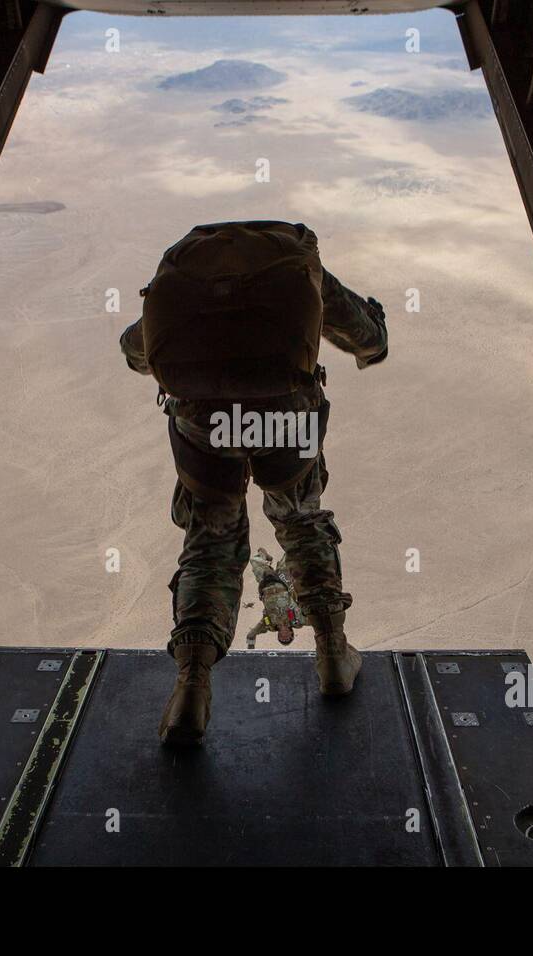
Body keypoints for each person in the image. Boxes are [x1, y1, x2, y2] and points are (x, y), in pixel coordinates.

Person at [119, 221, 389, 746]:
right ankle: (333, 656)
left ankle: (192, 687)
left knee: (211, 540)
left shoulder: (184, 276)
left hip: (203, 422)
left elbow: (137, 348)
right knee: (299, 517)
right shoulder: (300, 269)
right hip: (287, 418)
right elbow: (368, 339)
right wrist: (368, 346)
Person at [244, 547, 305, 649]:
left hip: (266, 582)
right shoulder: (297, 620)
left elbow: (252, 633)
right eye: (287, 638)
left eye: (282, 638)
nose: (284, 636)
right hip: (283, 581)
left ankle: (264, 556)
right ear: (291, 633)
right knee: (292, 553)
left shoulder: (270, 624)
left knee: (254, 561)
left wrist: (251, 647)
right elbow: (314, 620)